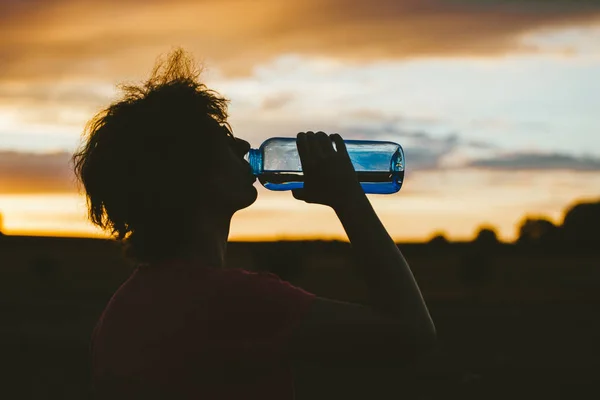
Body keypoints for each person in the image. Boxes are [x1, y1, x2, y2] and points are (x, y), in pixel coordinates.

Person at [72, 49, 436, 400]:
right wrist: (349, 199)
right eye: (222, 140)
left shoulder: (123, 309)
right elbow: (411, 334)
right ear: (190, 174)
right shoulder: (232, 302)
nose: (243, 144)